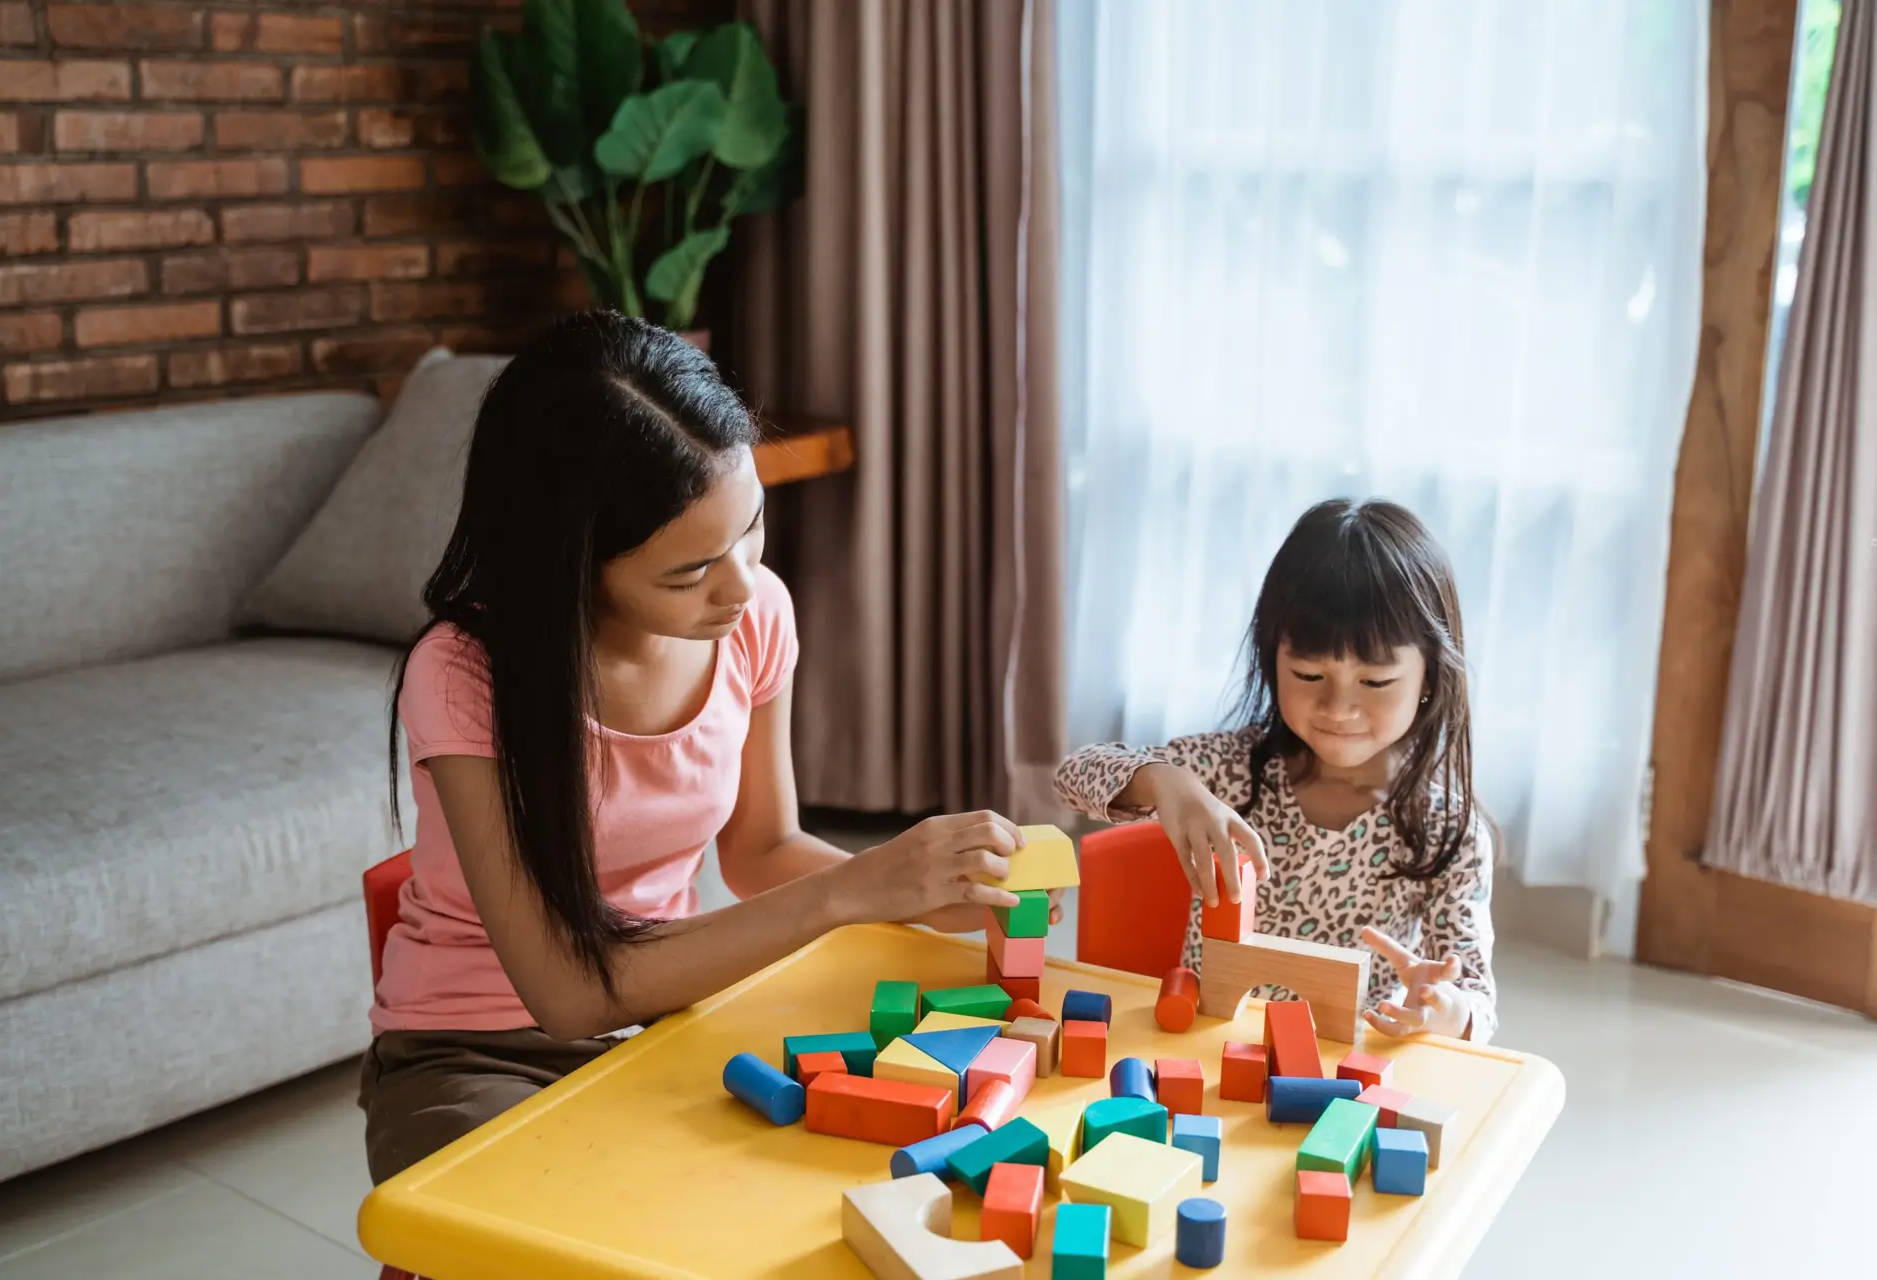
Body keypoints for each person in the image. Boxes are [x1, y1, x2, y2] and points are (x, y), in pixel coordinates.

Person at [360, 311, 1048, 1183]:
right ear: (570, 561)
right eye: (688, 572)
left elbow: (760, 850)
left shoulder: (756, 614)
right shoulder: (465, 675)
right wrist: (848, 892)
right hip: (474, 1052)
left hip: (669, 1013)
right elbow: (567, 994)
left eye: (751, 526)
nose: (741, 582)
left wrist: (924, 894)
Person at [1053, 498, 1497, 1041]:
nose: (1339, 709)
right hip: (1205, 1045)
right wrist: (1163, 781)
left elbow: (1476, 995)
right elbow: (1072, 774)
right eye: (1309, 675)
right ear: (1273, 659)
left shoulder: (1447, 830)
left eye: (1375, 682)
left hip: (1338, 1073)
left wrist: (1444, 1008)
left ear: (1430, 675)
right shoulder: (1233, 769)